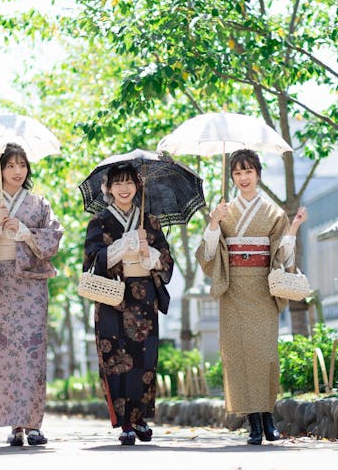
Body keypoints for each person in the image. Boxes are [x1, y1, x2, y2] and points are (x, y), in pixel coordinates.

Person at [196, 149, 307, 445]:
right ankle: (253, 422)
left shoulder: (272, 213)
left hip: (261, 288)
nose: (243, 178)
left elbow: (282, 256)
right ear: (231, 177)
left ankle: (268, 415)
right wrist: (214, 224)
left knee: (265, 355)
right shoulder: (223, 210)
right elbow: (209, 255)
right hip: (232, 289)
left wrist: (293, 227)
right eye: (237, 173)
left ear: (258, 173)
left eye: (248, 171)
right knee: (238, 357)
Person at [0, 142, 63, 446]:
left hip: (31, 284)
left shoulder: (39, 204)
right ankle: (15, 426)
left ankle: (33, 424)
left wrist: (24, 232)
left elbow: (53, 240)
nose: (17, 171)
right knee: (6, 354)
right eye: (10, 165)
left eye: (22, 165)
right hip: (1, 284)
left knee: (33, 351)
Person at [83, 162, 174, 445]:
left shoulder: (151, 222)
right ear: (108, 189)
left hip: (144, 294)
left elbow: (168, 265)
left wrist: (151, 253)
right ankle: (124, 421)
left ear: (138, 186)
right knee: (116, 359)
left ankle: (140, 418)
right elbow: (92, 260)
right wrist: (124, 244)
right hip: (112, 296)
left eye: (129, 182)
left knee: (144, 359)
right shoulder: (98, 222)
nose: (124, 188)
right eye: (118, 183)